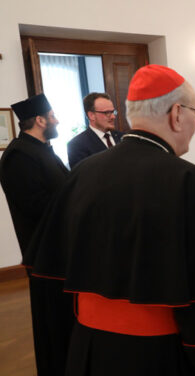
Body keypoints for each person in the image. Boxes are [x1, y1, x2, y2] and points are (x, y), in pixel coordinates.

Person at [24, 64, 195, 375]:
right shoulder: (187, 179)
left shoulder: (81, 174)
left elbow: (56, 278)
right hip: (157, 357)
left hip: (87, 350)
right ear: (177, 113)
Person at [0, 93, 73, 376]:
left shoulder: (42, 148)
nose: (57, 120)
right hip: (44, 253)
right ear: (40, 120)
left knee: (64, 317)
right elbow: (35, 205)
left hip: (61, 249)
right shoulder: (19, 155)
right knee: (52, 321)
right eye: (53, 116)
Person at [67, 92, 123, 168]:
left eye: (113, 112)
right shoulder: (77, 145)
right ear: (91, 115)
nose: (113, 116)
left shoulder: (123, 137)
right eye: (107, 113)